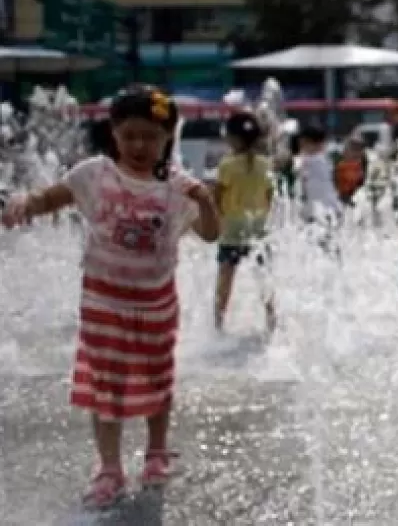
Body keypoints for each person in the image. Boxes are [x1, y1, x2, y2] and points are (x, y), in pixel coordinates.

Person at [1, 85, 220, 509]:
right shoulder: (93, 174)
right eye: (130, 135)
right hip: (104, 301)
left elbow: (211, 235)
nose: (140, 145)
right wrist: (23, 205)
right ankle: (109, 468)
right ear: (114, 134)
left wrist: (207, 201)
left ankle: (156, 453)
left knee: (158, 380)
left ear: (166, 138)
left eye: (150, 137)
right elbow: (52, 199)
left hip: (156, 303)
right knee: (108, 387)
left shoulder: (178, 187)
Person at [213, 112, 275, 333]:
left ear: (233, 139)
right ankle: (271, 319)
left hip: (232, 229)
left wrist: (214, 219)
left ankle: (218, 323)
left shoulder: (227, 165)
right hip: (258, 228)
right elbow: (270, 196)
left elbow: (217, 196)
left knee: (226, 276)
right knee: (264, 275)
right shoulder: (265, 164)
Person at [295, 125, 343, 254]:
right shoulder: (324, 159)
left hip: (321, 211)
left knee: (322, 246)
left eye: (303, 144)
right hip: (331, 208)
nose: (301, 148)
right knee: (329, 246)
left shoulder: (310, 161)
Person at [334, 135, 368, 206]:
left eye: (359, 149)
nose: (357, 153)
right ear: (345, 151)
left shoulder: (363, 166)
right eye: (354, 149)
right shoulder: (340, 167)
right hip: (344, 201)